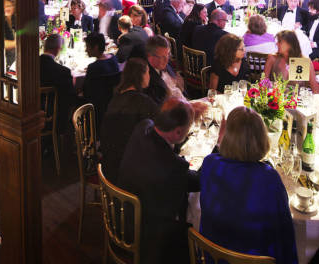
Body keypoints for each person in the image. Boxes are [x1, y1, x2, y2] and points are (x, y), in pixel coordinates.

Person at [198, 106, 297, 263]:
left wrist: (219, 141)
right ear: (262, 138)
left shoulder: (210, 164)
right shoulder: (268, 178)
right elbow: (284, 234)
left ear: (227, 136)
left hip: (213, 257)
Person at [117, 99, 199, 264]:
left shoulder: (143, 126)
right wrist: (219, 144)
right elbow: (199, 181)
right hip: (147, 234)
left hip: (121, 213)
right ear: (177, 132)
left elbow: (165, 146)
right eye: (187, 129)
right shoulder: (174, 166)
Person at [100, 58, 158, 179]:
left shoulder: (114, 98)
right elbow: (161, 131)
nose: (149, 76)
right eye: (147, 72)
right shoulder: (143, 102)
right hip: (131, 173)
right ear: (140, 75)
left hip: (109, 166)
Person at [39, 34, 76, 131]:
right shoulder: (63, 72)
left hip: (30, 113)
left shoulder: (30, 66)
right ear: (58, 48)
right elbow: (70, 98)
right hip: (52, 118)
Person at [83, 32, 120, 121]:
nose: (86, 50)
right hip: (113, 103)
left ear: (95, 47)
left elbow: (86, 91)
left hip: (97, 107)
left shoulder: (93, 67)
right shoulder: (113, 58)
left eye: (87, 47)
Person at [144, 35, 183, 104]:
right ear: (150, 56)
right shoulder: (147, 77)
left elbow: (178, 88)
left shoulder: (164, 65)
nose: (166, 60)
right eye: (161, 57)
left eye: (168, 54)